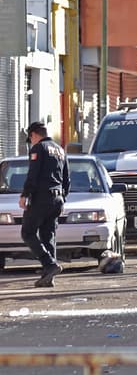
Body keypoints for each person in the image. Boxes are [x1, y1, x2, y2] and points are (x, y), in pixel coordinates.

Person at [19, 121, 68, 288]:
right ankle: (49, 277)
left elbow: (33, 175)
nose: (31, 142)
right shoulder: (60, 150)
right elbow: (67, 179)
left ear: (34, 135)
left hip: (41, 198)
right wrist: (62, 198)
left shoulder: (38, 148)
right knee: (48, 236)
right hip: (57, 198)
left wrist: (25, 195)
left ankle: (49, 264)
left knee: (27, 232)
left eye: (30, 138)